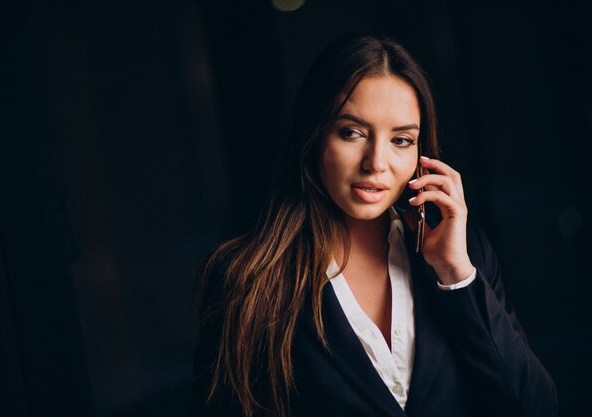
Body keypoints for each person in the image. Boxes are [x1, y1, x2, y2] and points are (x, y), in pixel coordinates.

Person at [189, 34, 557, 417]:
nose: (376, 162)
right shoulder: (247, 280)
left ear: (420, 153)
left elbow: (535, 407)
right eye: (352, 133)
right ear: (314, 135)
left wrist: (455, 274)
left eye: (401, 140)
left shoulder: (465, 256)